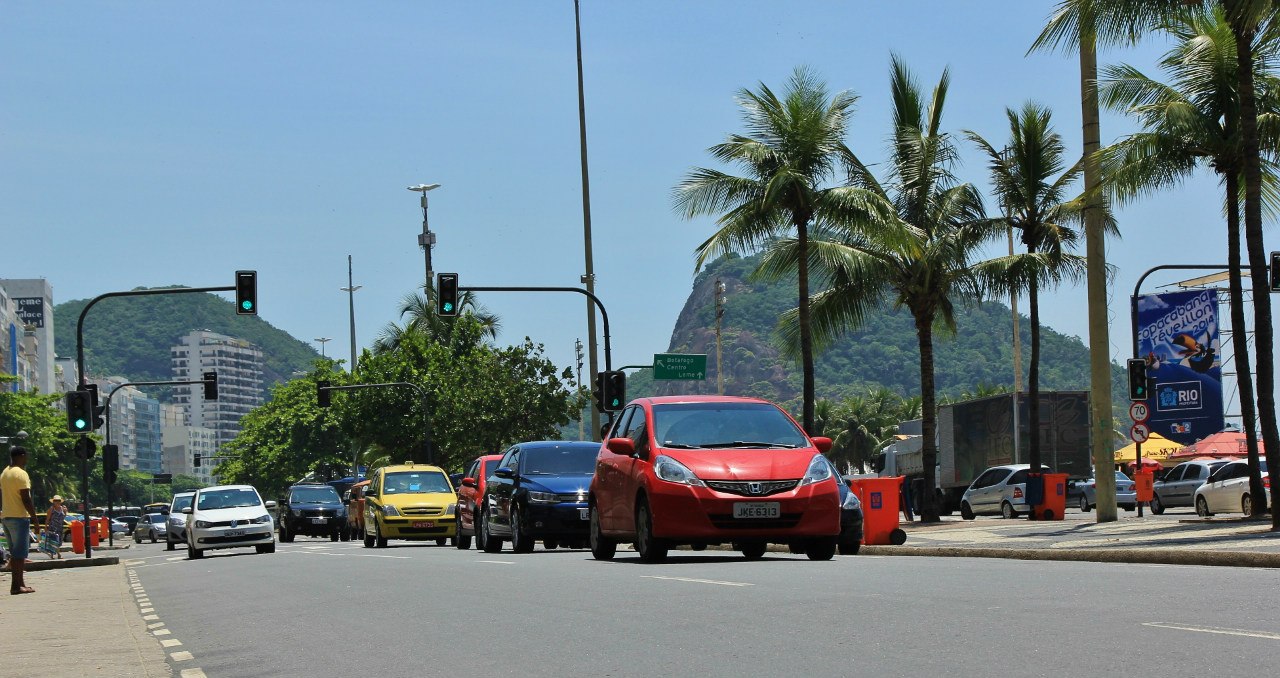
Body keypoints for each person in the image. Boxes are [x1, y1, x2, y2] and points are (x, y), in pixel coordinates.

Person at [1, 446, 40, 594]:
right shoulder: (21, 474)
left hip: (6, 517)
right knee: (19, 555)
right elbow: (26, 499)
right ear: (21, 456)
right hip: (19, 517)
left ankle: (21, 584)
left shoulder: (5, 472)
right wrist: (35, 520)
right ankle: (15, 587)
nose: (27, 459)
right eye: (26, 456)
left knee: (15, 553)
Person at [39, 495, 67, 559]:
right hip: (53, 527)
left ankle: (56, 554)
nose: (57, 502)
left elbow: (63, 517)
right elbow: (47, 519)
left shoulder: (62, 508)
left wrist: (65, 511)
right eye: (55, 501)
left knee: (59, 541)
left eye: (58, 501)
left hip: (60, 527)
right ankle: (57, 554)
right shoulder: (51, 509)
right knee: (53, 541)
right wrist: (46, 527)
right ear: (53, 502)